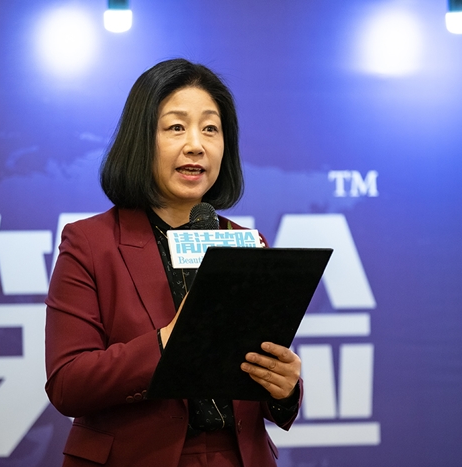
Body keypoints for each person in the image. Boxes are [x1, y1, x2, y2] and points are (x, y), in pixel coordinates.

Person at [45, 58, 302, 467]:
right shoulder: (90, 243)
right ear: (141, 139)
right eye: (176, 127)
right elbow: (67, 384)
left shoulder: (247, 244)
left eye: (210, 129)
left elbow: (255, 377)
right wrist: (167, 341)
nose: (196, 144)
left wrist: (283, 388)